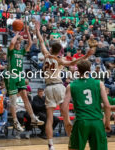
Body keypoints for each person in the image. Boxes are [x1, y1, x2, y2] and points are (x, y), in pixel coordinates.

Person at [35, 22, 93, 150]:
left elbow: (40, 41)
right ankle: (72, 141)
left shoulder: (46, 55)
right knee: (66, 116)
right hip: (58, 86)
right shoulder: (59, 60)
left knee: (49, 118)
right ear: (59, 51)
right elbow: (72, 62)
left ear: (51, 49)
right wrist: (86, 56)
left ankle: (50, 145)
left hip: (48, 88)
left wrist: (37, 30)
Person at [62, 59, 111, 150]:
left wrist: (67, 123)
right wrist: (107, 123)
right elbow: (107, 106)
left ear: (77, 71)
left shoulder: (71, 86)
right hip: (97, 121)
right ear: (90, 70)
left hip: (81, 122)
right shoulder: (99, 83)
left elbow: (64, 107)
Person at [4, 24, 44, 132]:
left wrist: (26, 31)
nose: (18, 44)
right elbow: (12, 42)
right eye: (18, 42)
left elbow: (30, 43)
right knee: (13, 100)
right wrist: (17, 33)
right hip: (11, 76)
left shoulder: (21, 51)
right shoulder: (11, 51)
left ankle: (33, 117)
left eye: (19, 43)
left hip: (20, 76)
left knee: (25, 97)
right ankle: (15, 121)